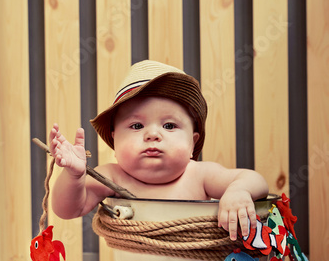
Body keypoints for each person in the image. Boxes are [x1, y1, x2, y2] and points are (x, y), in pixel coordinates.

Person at [49, 60, 269, 241]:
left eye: (169, 126)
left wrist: (238, 191)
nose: (152, 135)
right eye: (136, 126)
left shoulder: (199, 175)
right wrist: (74, 176)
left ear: (192, 144)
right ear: (114, 141)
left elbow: (254, 179)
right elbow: (67, 210)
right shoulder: (112, 177)